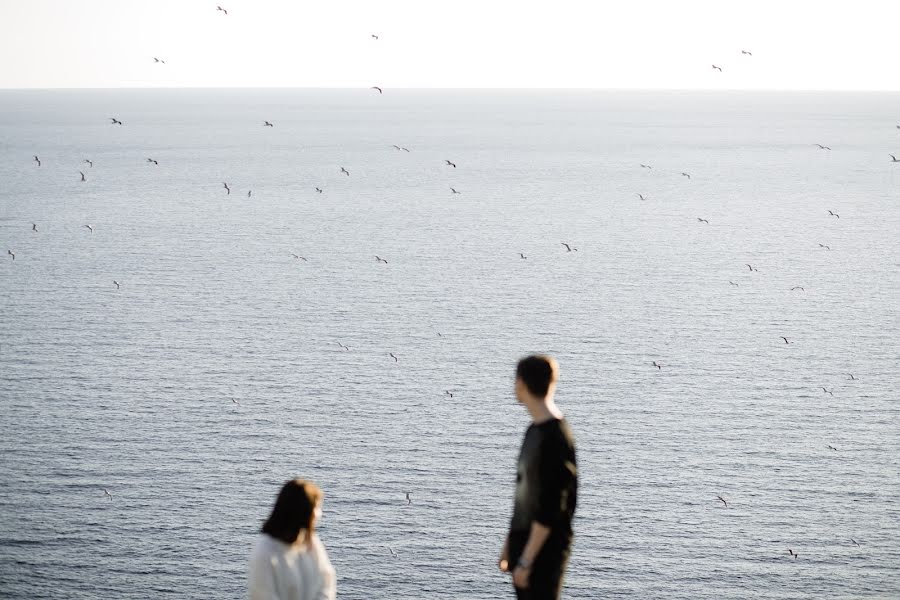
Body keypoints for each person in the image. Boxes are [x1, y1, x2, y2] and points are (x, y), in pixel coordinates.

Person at [499, 355, 578, 599]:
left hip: (543, 553)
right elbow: (525, 494)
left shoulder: (554, 437)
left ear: (521, 383)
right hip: (526, 546)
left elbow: (552, 505)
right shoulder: (535, 430)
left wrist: (526, 560)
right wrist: (509, 546)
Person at [249, 479, 336, 600]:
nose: (319, 513)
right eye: (316, 508)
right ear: (303, 511)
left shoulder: (311, 543)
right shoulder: (265, 551)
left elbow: (326, 582)